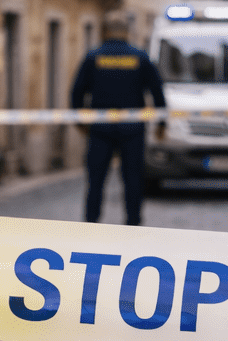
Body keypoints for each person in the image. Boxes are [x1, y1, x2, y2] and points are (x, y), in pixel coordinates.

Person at [70, 15, 166, 226]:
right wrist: (161, 124)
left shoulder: (94, 56)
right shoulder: (139, 57)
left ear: (105, 32)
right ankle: (133, 224)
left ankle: (91, 222)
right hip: (132, 130)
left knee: (95, 181)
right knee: (133, 181)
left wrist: (80, 121)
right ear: (127, 33)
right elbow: (157, 92)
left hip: (100, 129)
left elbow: (77, 92)